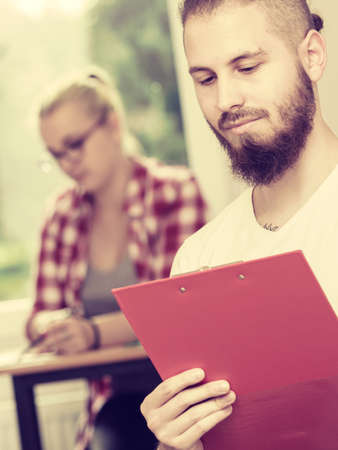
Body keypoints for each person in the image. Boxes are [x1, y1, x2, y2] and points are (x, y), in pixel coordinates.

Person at [140, 1, 338, 449]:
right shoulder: (198, 261)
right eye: (206, 79)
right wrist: (175, 441)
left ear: (312, 56)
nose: (225, 100)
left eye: (246, 67)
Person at [25, 66, 207, 450]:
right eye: (56, 154)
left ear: (113, 124)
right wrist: (52, 326)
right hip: (115, 401)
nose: (67, 163)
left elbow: (177, 308)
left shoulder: (174, 192)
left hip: (186, 393)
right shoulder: (61, 215)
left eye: (74, 144)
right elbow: (39, 315)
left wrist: (91, 333)